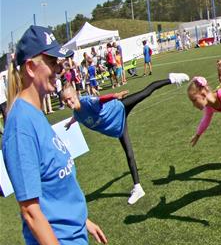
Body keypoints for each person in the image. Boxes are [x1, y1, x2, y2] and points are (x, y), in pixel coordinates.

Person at [3, 25, 116, 245]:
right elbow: (30, 211)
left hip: (71, 242)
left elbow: (52, 182)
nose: (59, 68)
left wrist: (83, 220)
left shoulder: (35, 113)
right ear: (31, 67)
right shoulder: (21, 126)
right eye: (52, 62)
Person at [61, 72, 190, 205]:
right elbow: (78, 116)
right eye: (65, 101)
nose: (69, 102)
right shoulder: (76, 112)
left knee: (145, 92)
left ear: (76, 95)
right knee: (129, 154)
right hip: (118, 125)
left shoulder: (86, 102)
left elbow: (100, 99)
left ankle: (172, 79)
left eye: (70, 98)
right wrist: (71, 122)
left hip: (119, 108)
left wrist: (114, 96)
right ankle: (138, 188)